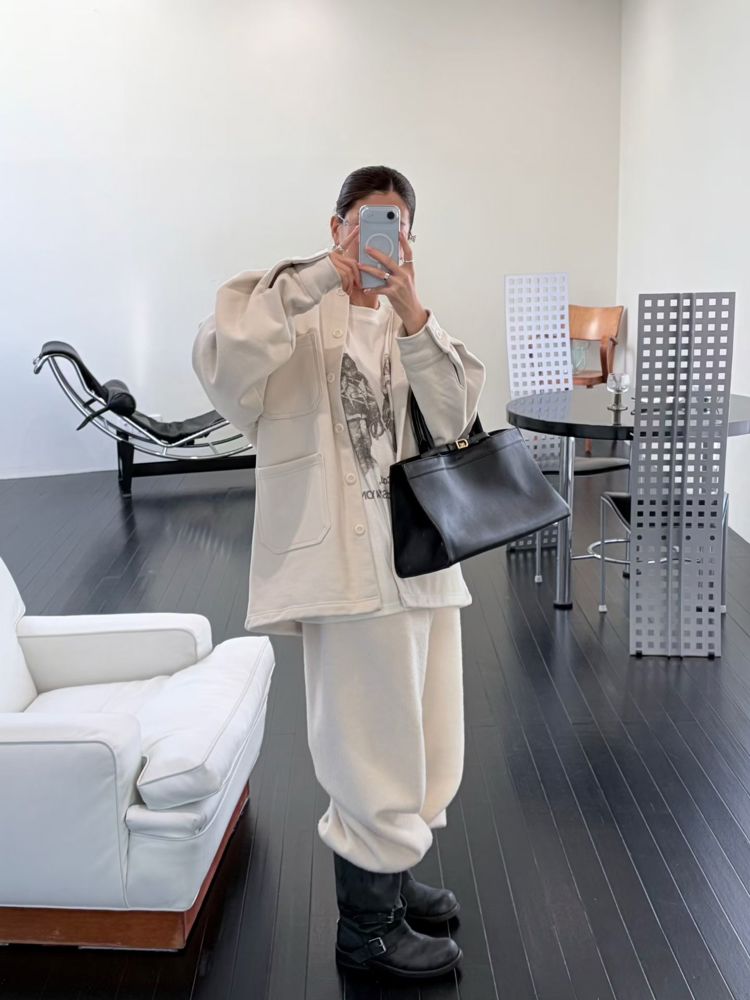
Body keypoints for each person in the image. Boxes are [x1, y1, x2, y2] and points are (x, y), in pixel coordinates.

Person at [192, 165, 486, 980]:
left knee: (426, 734)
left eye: (396, 228)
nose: (377, 241)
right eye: (363, 223)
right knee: (365, 740)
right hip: (343, 564)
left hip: (419, 558)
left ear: (411, 241)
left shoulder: (410, 321)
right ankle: (366, 929)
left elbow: (457, 417)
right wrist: (324, 275)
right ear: (335, 227)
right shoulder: (288, 307)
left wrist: (415, 314)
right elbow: (221, 359)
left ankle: (392, 872)